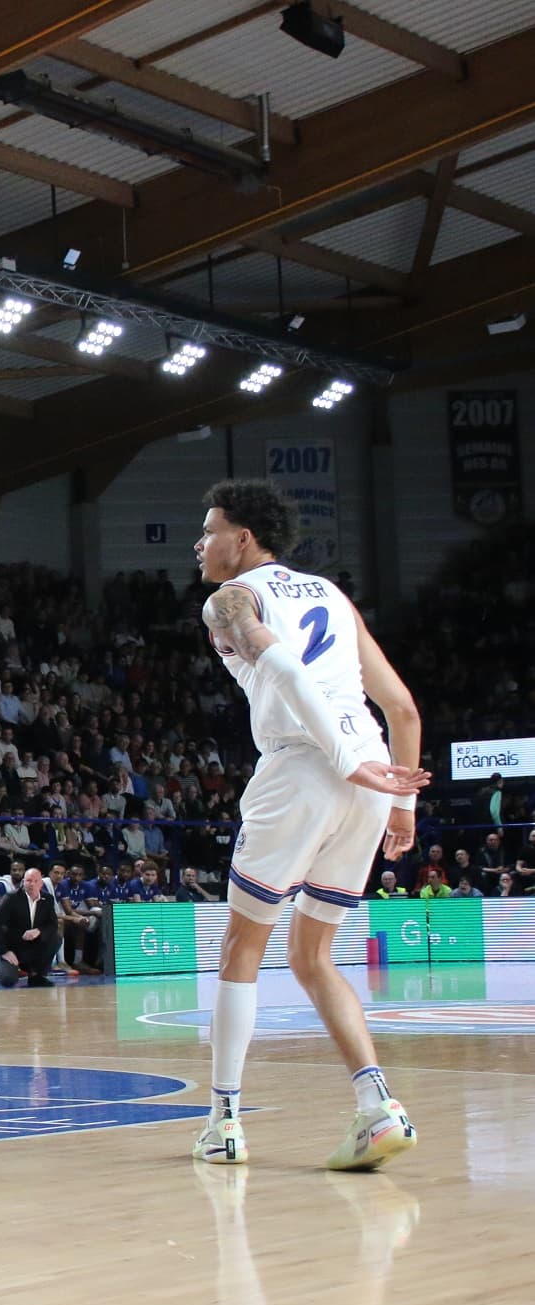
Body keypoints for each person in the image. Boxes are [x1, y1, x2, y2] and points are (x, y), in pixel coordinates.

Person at [188, 480, 429, 1171]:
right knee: (312, 956)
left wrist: (345, 760)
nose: (199, 544)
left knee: (240, 949)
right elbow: (403, 709)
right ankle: (377, 1107)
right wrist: (401, 806)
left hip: (309, 766)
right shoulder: (330, 594)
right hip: (375, 780)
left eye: (208, 530)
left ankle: (223, 1123)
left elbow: (285, 666)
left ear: (242, 539)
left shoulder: (228, 599)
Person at [0, 866, 61, 987]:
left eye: (35, 881)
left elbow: (53, 924)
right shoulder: (11, 898)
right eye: (28, 880)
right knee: (8, 980)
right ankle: (6, 964)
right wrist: (4, 951)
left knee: (56, 938)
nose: (32, 884)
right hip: (13, 947)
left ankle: (36, 974)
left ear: (41, 883)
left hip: (35, 945)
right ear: (23, 882)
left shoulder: (47, 899)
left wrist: (39, 931)